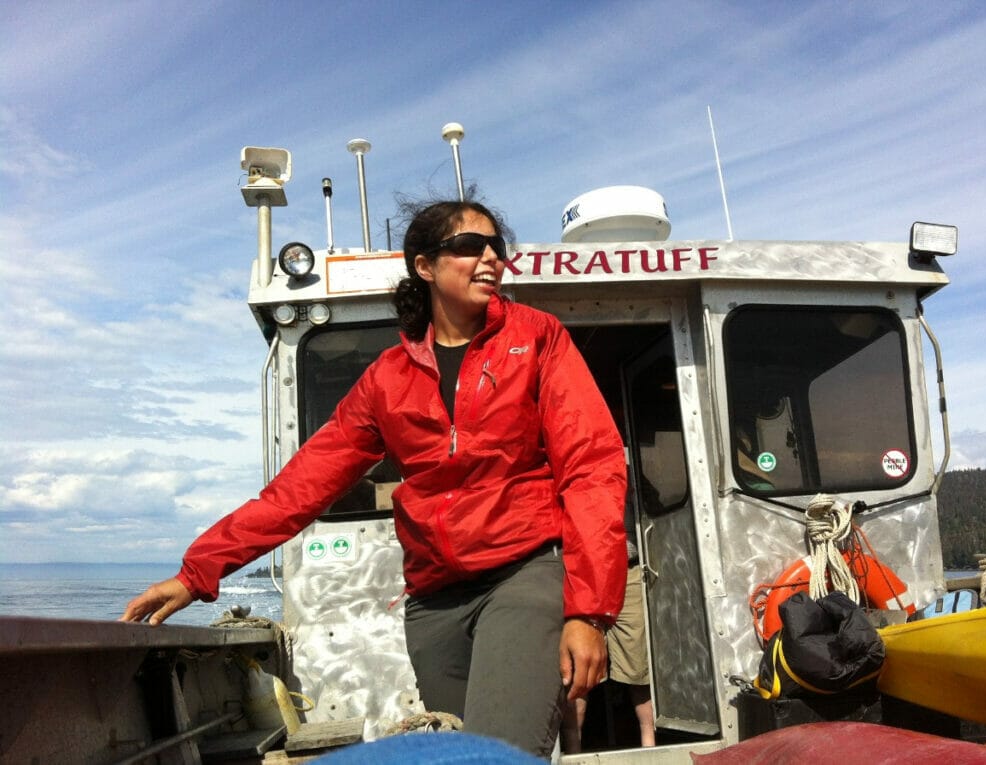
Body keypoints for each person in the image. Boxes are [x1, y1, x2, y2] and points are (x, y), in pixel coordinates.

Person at [120, 199, 628, 758]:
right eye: (468, 246)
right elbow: (297, 491)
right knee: (456, 754)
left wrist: (588, 611)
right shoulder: (386, 380)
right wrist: (196, 573)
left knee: (498, 756)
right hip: (433, 604)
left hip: (522, 578)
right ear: (425, 266)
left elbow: (592, 467)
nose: (489, 258)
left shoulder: (537, 337)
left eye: (495, 247)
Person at [560, 496, 654, 752]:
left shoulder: (626, 476)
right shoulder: (570, 479)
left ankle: (651, 747)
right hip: (580, 578)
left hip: (628, 573)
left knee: (639, 668)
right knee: (579, 671)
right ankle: (573, 751)